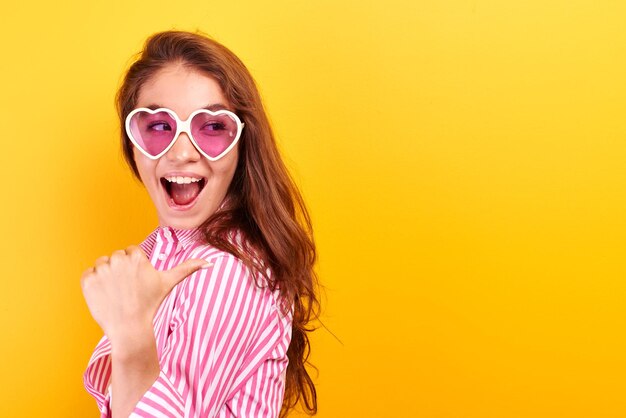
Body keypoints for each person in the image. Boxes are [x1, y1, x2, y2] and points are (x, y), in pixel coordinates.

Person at [81, 30, 319, 418]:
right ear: (133, 144)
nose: (181, 153)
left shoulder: (225, 270)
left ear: (243, 145)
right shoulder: (164, 250)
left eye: (211, 127)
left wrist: (131, 339)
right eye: (158, 126)